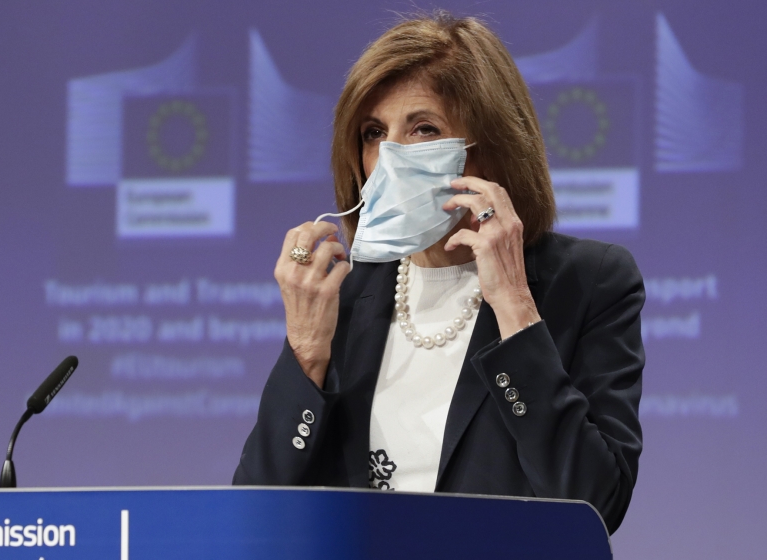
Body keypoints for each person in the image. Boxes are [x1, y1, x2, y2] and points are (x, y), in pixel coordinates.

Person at [232, 13, 644, 535]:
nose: (390, 157)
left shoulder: (588, 282)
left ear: (487, 147)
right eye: (373, 133)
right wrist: (306, 353)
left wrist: (516, 307)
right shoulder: (347, 293)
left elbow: (593, 505)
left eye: (424, 128)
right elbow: (252, 512)